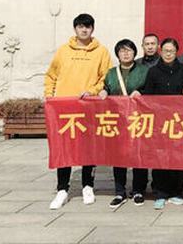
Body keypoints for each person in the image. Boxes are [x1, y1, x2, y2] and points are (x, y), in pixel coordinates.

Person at [46, 13, 111, 210]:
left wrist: (92, 91)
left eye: (88, 26)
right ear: (75, 29)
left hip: (88, 106)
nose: (84, 30)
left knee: (88, 148)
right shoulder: (63, 51)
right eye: (81, 26)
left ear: (93, 29)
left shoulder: (101, 51)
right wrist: (49, 96)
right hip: (64, 108)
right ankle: (62, 189)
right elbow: (51, 75)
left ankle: (87, 186)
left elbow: (105, 78)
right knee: (64, 148)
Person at [98, 39, 149, 208]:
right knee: (118, 156)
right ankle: (120, 191)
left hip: (137, 118)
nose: (126, 54)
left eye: (129, 50)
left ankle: (138, 190)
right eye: (122, 51)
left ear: (135, 53)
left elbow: (150, 89)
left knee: (138, 155)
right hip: (117, 119)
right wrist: (103, 91)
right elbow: (106, 87)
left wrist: (141, 92)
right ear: (117, 54)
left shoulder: (144, 71)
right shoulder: (112, 73)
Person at [143, 38, 183, 210]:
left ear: (177, 52)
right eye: (165, 51)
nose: (168, 54)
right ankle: (160, 192)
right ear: (160, 51)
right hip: (160, 121)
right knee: (160, 156)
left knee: (178, 156)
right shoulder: (153, 71)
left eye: (172, 51)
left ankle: (177, 192)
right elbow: (148, 96)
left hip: (178, 121)